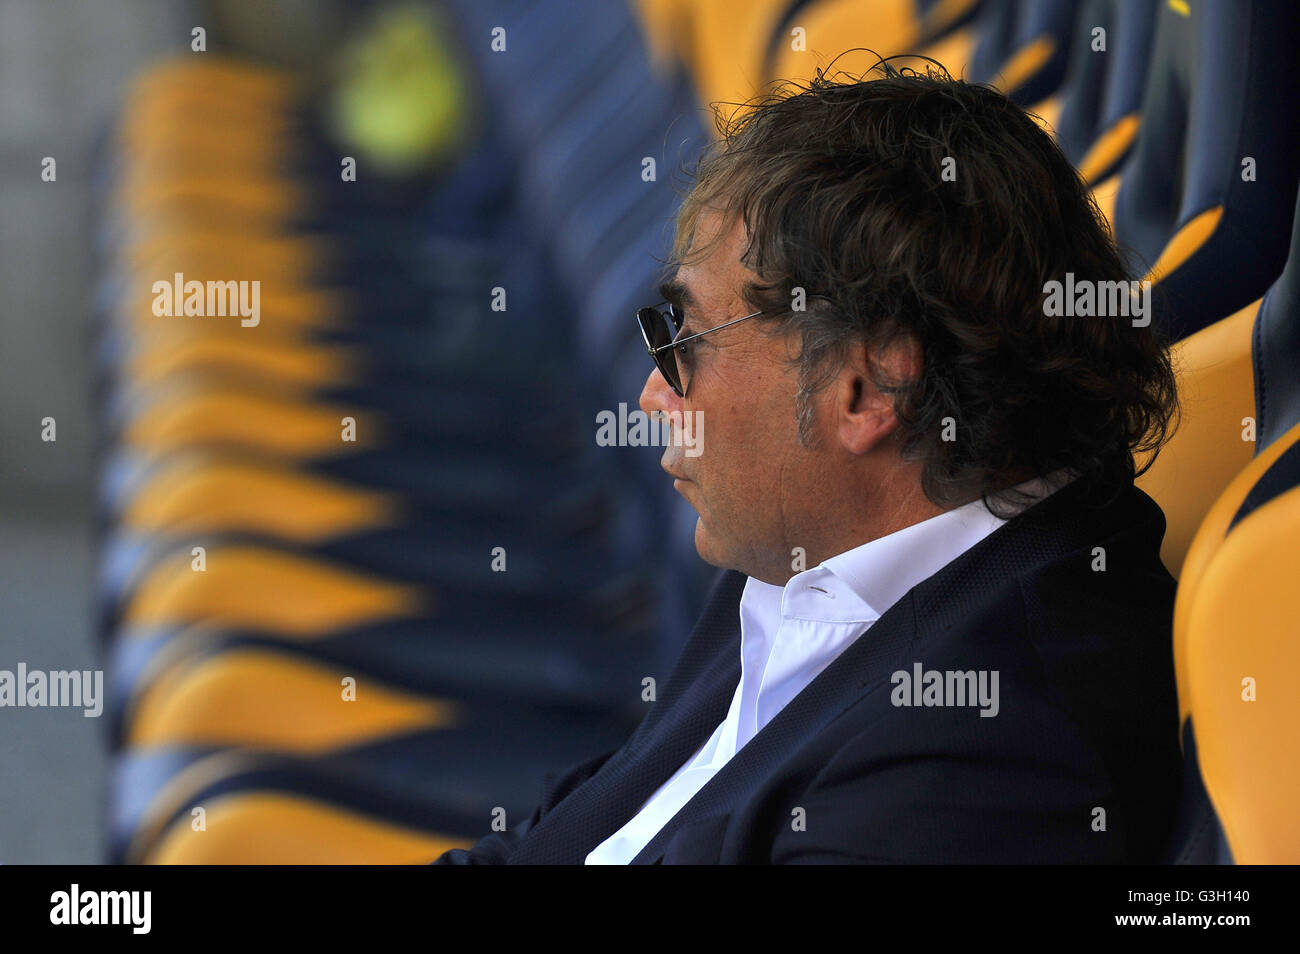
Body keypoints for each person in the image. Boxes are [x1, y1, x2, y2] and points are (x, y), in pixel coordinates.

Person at [434, 60, 1183, 864]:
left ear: (865, 392)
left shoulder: (983, 760)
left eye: (685, 342)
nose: (655, 395)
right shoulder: (804, 542)